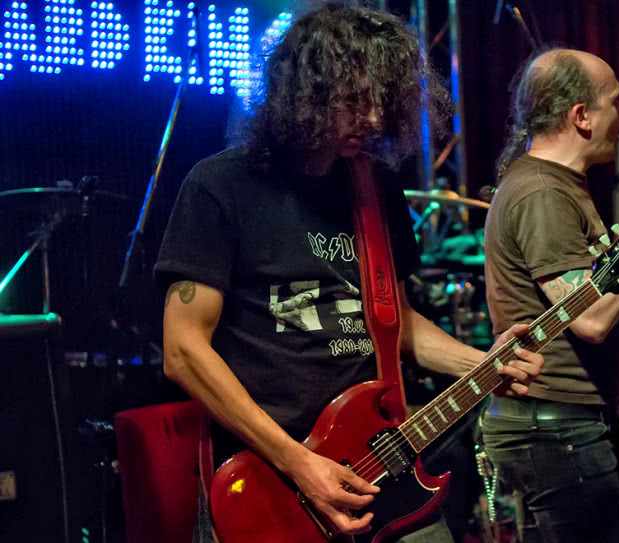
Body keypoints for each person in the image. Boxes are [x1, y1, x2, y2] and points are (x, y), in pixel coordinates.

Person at [154, 5, 545, 542]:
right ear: (305, 93)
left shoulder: (374, 187)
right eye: (355, 100)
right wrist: (298, 462)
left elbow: (396, 323)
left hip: (381, 465)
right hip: (269, 480)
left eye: (383, 99)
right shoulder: (220, 186)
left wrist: (482, 364)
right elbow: (183, 351)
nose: (375, 119)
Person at [478, 48, 619, 543]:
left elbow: (582, 300)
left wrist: (612, 379)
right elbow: (589, 320)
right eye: (615, 101)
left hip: (563, 421)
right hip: (555, 430)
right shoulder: (542, 193)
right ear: (581, 116)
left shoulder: (559, 185)